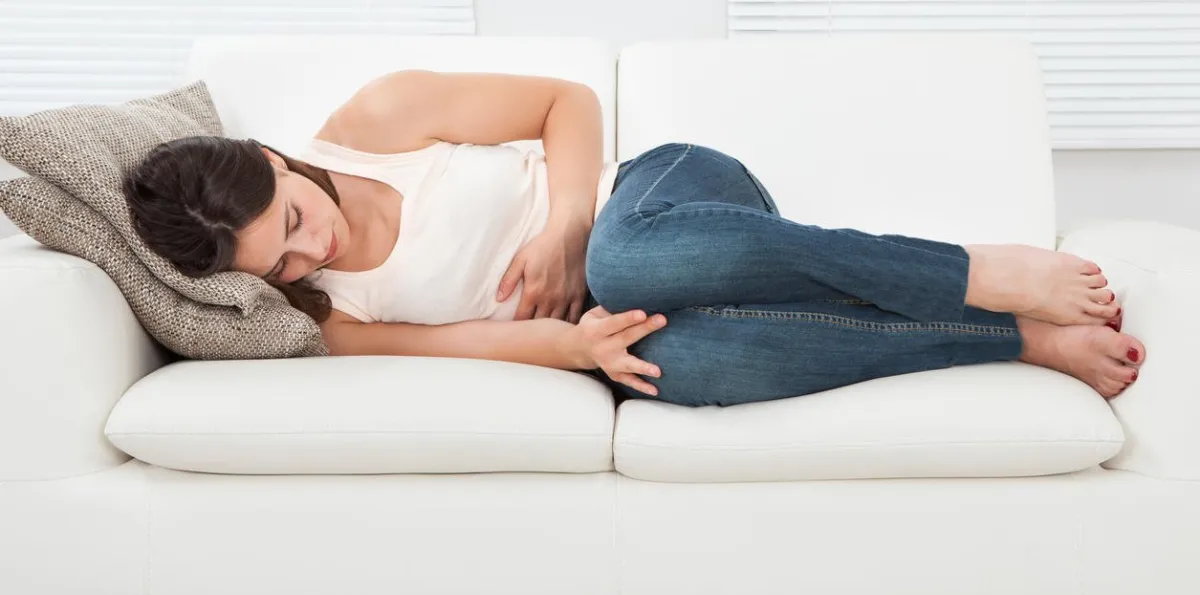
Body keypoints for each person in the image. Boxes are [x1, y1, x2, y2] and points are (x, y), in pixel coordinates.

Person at [123, 71, 1144, 407]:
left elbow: (567, 105)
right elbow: (464, 345)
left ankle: (970, 268)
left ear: (276, 158)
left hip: (667, 198)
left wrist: (571, 223)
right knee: (668, 365)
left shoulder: (380, 120)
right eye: (283, 266)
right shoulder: (328, 313)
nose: (313, 255)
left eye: (295, 222)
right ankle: (1011, 337)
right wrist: (576, 347)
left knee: (622, 256)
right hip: (640, 303)